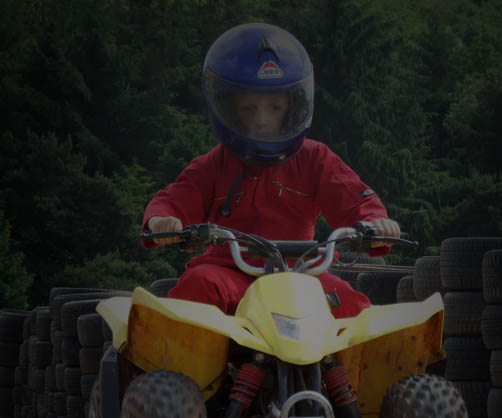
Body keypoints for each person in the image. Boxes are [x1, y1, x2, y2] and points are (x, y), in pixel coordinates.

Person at [142, 22, 400, 318]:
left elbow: (354, 197)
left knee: (352, 307)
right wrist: (162, 220)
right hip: (229, 272)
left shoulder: (315, 158)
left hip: (302, 274)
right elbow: (176, 197)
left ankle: (343, 368)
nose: (263, 120)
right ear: (228, 109)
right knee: (197, 287)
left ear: (293, 107)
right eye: (249, 108)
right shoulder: (215, 164)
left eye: (274, 107)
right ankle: (177, 366)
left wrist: (376, 223)